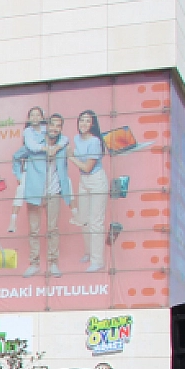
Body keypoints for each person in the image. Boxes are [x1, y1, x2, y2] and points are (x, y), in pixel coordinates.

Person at [22, 113, 72, 277]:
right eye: (52, 125)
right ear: (46, 127)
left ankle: (53, 264)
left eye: (58, 126)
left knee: (53, 230)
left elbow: (66, 141)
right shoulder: (35, 143)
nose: (55, 129)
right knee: (34, 231)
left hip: (54, 192)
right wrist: (21, 178)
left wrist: (57, 147)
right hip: (35, 193)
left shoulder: (63, 144)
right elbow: (17, 156)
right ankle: (34, 264)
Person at [69, 109, 109, 272]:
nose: (84, 124)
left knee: (95, 222)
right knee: (83, 219)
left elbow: (87, 167)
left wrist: (70, 157)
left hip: (96, 180)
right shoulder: (76, 139)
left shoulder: (95, 141)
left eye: (87, 121)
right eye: (81, 120)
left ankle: (97, 260)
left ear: (92, 124)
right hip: (83, 181)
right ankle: (88, 252)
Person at [7, 106, 46, 236]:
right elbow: (26, 150)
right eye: (32, 115)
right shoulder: (28, 133)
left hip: (44, 174)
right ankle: (13, 219)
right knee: (20, 192)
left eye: (37, 115)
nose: (35, 117)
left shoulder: (46, 131)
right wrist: (18, 175)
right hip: (29, 173)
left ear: (42, 117)